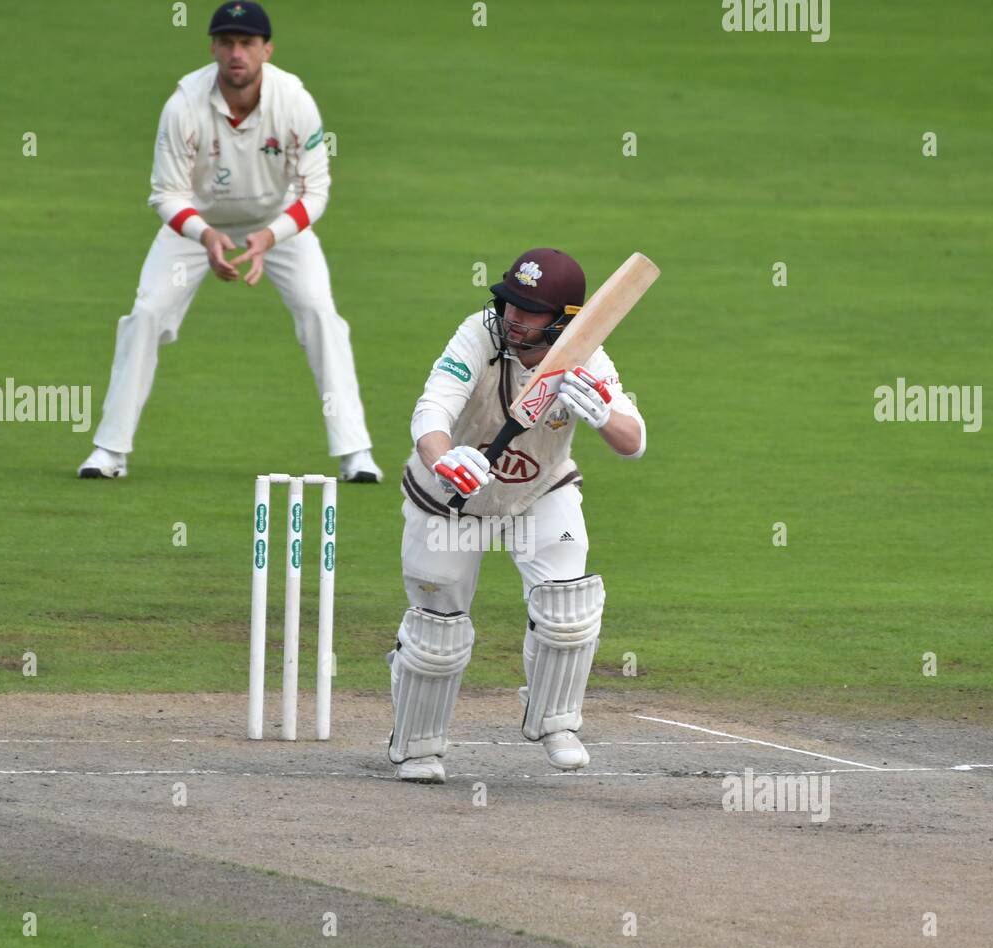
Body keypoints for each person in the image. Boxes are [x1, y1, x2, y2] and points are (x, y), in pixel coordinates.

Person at [78, 2, 381, 483]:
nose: (236, 53)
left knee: (320, 313)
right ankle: (109, 451)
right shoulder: (183, 104)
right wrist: (206, 235)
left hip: (275, 224)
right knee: (147, 313)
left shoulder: (295, 101)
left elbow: (315, 190)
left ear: (267, 49)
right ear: (213, 48)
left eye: (246, 43)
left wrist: (268, 236)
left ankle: (355, 453)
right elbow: (165, 194)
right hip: (197, 225)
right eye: (226, 42)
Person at [387, 248, 647, 783]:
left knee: (568, 610)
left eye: (529, 312)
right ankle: (417, 747)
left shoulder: (587, 355)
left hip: (538, 490)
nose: (512, 319)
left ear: (564, 321)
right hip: (451, 495)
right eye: (509, 304)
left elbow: (634, 443)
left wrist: (603, 414)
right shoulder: (477, 335)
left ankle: (555, 720)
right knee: (438, 633)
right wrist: (445, 459)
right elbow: (431, 409)